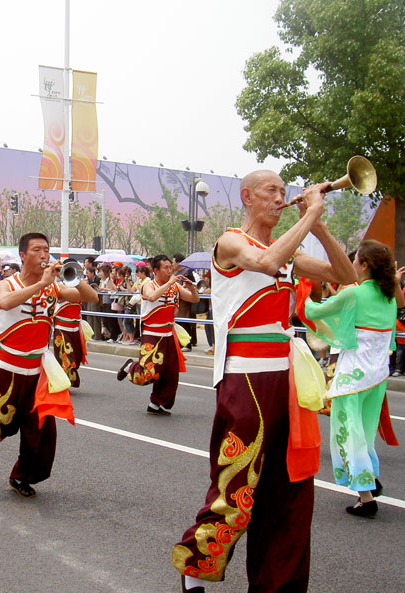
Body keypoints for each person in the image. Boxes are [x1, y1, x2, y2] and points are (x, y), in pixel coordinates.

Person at [172, 171, 356, 593]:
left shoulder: (288, 250)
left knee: (290, 489)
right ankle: (196, 563)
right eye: (271, 191)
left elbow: (344, 275)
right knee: (237, 483)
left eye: (284, 192)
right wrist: (308, 215)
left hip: (285, 380)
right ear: (247, 197)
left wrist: (319, 220)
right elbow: (267, 262)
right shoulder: (232, 241)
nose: (280, 198)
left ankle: (279, 583)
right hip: (246, 381)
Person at [0, 233, 98, 498]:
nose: (43, 255)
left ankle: (21, 477)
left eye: (46, 250)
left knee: (40, 430)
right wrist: (41, 284)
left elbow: (91, 297)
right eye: (37, 250)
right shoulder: (7, 283)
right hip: (8, 367)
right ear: (23, 256)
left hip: (40, 371)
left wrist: (75, 276)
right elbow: (4, 303)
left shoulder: (53, 286)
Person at [301, 240, 402, 518]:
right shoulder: (389, 296)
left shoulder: (355, 294)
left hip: (352, 375)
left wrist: (304, 291)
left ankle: (366, 496)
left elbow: (314, 312)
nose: (352, 265)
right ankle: (370, 476)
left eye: (355, 261)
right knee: (365, 434)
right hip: (378, 374)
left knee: (347, 435)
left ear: (365, 265)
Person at [116, 255, 199, 415]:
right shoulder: (148, 285)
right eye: (165, 268)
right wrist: (169, 283)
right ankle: (131, 367)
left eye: (170, 267)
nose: (170, 271)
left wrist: (191, 287)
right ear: (155, 271)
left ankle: (158, 404)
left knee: (171, 373)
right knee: (148, 373)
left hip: (169, 334)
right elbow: (152, 296)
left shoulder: (175, 287)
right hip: (152, 334)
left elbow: (194, 299)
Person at [52, 259, 88, 388]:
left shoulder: (81, 286)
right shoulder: (59, 286)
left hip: (76, 327)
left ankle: (61, 381)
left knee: (77, 359)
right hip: (62, 328)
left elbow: (91, 296)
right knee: (66, 359)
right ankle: (62, 384)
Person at [173, 253, 198, 351]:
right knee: (178, 322)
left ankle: (187, 344)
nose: (172, 264)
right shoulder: (175, 273)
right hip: (177, 301)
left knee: (184, 321)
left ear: (179, 262)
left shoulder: (187, 272)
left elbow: (190, 286)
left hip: (184, 302)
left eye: (173, 262)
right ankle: (180, 343)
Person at [98, 265, 120, 341]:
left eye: (101, 271)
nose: (99, 273)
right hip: (104, 301)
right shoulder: (101, 281)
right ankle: (107, 334)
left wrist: (103, 289)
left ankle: (113, 336)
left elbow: (113, 289)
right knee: (105, 320)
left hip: (109, 302)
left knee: (111, 319)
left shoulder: (109, 280)